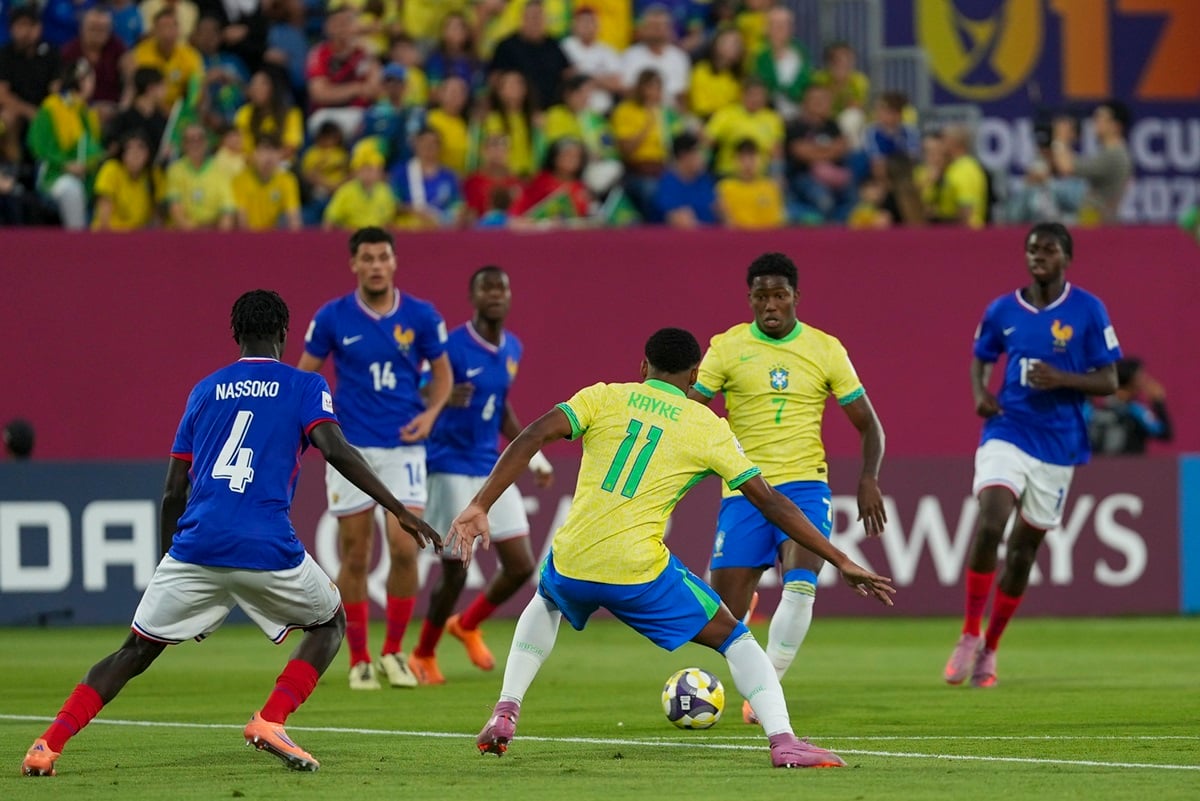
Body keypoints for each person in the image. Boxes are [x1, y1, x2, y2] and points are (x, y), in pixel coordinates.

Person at [20, 289, 440, 778]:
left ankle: (47, 745)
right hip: (266, 546)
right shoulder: (305, 385)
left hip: (195, 547)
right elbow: (335, 449)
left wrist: (170, 563)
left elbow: (173, 490)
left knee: (135, 650)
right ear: (284, 332)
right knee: (330, 623)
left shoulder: (204, 391)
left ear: (235, 334)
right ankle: (271, 719)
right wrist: (398, 508)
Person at [447, 327, 895, 768]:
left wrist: (480, 504)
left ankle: (506, 710)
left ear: (643, 366)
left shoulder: (603, 396)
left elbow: (531, 436)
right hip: (637, 571)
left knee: (547, 599)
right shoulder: (706, 427)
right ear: (695, 374)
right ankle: (784, 741)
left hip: (573, 559)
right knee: (736, 638)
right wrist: (840, 558)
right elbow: (771, 502)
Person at [687, 251, 887, 725]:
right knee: (722, 616)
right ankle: (748, 618)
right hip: (745, 488)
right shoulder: (727, 347)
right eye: (761, 297)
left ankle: (764, 695)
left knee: (800, 585)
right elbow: (691, 410)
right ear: (750, 299)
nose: (770, 305)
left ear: (796, 296)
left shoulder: (825, 349)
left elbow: (869, 425)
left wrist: (868, 477)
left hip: (804, 485)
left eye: (779, 295)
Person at [944, 223, 1121, 689]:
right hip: (1008, 428)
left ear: (1067, 258)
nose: (1038, 256)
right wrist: (981, 393)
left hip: (1059, 445)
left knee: (1023, 553)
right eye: (1031, 249)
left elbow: (1109, 380)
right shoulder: (1003, 309)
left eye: (1048, 249)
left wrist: (1063, 379)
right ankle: (969, 633)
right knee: (991, 521)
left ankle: (991, 647)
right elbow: (982, 356)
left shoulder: (1088, 309)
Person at [298, 227, 453, 690]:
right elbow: (304, 375)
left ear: (394, 261)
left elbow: (443, 375)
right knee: (356, 553)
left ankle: (393, 652)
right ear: (354, 264)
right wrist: (312, 423)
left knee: (406, 548)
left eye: (383, 257)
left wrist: (430, 414)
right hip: (351, 450)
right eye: (367, 258)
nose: (376, 266)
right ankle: (360, 657)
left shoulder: (422, 315)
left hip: (404, 446)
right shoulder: (332, 316)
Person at [409, 266, 554, 684]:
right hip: (449, 465)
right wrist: (443, 395)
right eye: (486, 288)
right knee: (456, 568)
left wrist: (535, 458)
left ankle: (467, 624)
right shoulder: (452, 347)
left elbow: (500, 407)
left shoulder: (512, 349)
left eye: (501, 287)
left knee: (521, 565)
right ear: (472, 298)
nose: (495, 294)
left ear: (509, 296)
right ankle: (423, 653)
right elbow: (421, 387)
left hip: (488, 466)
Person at [1049, 100, 1133, 226]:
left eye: (1100, 118)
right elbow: (1072, 163)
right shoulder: (1110, 152)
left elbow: (1066, 167)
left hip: (1098, 222)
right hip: (1094, 218)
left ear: (1116, 125)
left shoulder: (1114, 155)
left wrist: (1060, 139)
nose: (1095, 122)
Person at [1087, 357, 1172, 456]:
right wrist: (1158, 403)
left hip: (1098, 465)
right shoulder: (1135, 411)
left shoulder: (1095, 410)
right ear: (1132, 380)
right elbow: (1165, 433)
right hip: (1129, 465)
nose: (1145, 381)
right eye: (1141, 376)